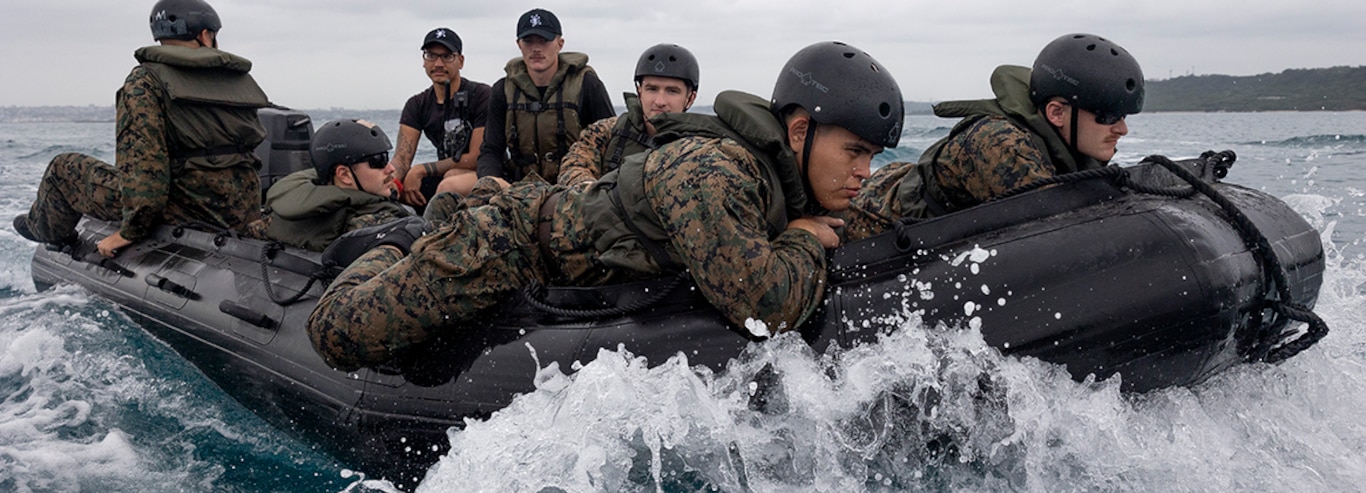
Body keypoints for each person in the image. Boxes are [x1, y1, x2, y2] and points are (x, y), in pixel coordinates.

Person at [307, 41, 904, 372]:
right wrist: (802, 238)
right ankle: (396, 242)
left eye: (872, 158)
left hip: (566, 240)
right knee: (336, 334)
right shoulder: (713, 168)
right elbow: (765, 307)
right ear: (799, 132)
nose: (862, 172)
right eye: (854, 152)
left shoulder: (774, 177)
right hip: (509, 245)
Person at [12, 0, 269, 258]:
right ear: (205, 34)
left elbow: (144, 168)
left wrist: (129, 231)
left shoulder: (146, 82)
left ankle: (45, 230)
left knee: (63, 168)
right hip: (243, 207)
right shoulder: (239, 81)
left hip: (187, 207)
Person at [842, 33, 1144, 242]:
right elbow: (1058, 231)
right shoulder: (1000, 144)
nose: (1121, 129)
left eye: (1123, 117)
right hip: (868, 220)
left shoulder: (1066, 144)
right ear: (1056, 113)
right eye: (1106, 117)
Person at [476, 8, 615, 186]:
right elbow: (491, 149)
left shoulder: (587, 85)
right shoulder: (502, 90)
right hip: (518, 188)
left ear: (560, 43)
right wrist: (493, 181)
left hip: (574, 187)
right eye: (528, 41)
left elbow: (612, 144)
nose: (536, 48)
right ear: (519, 44)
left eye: (544, 40)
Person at [243, 119, 411, 251]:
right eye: (378, 161)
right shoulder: (376, 225)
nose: (391, 169)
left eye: (386, 158)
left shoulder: (274, 221)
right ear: (344, 174)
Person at [556, 43, 700, 186]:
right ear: (639, 91)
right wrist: (591, 192)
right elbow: (573, 166)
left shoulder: (702, 146)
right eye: (652, 89)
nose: (660, 101)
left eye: (672, 91)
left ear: (690, 98)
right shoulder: (606, 131)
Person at [388, 27, 492, 210]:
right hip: (444, 174)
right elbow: (402, 159)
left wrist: (421, 169)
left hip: (484, 173)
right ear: (423, 60)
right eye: (431, 56)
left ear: (460, 61)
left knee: (450, 180)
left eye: (446, 56)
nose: (438, 63)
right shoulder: (416, 104)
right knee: (400, 188)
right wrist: (391, 185)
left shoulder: (482, 95)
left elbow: (477, 157)